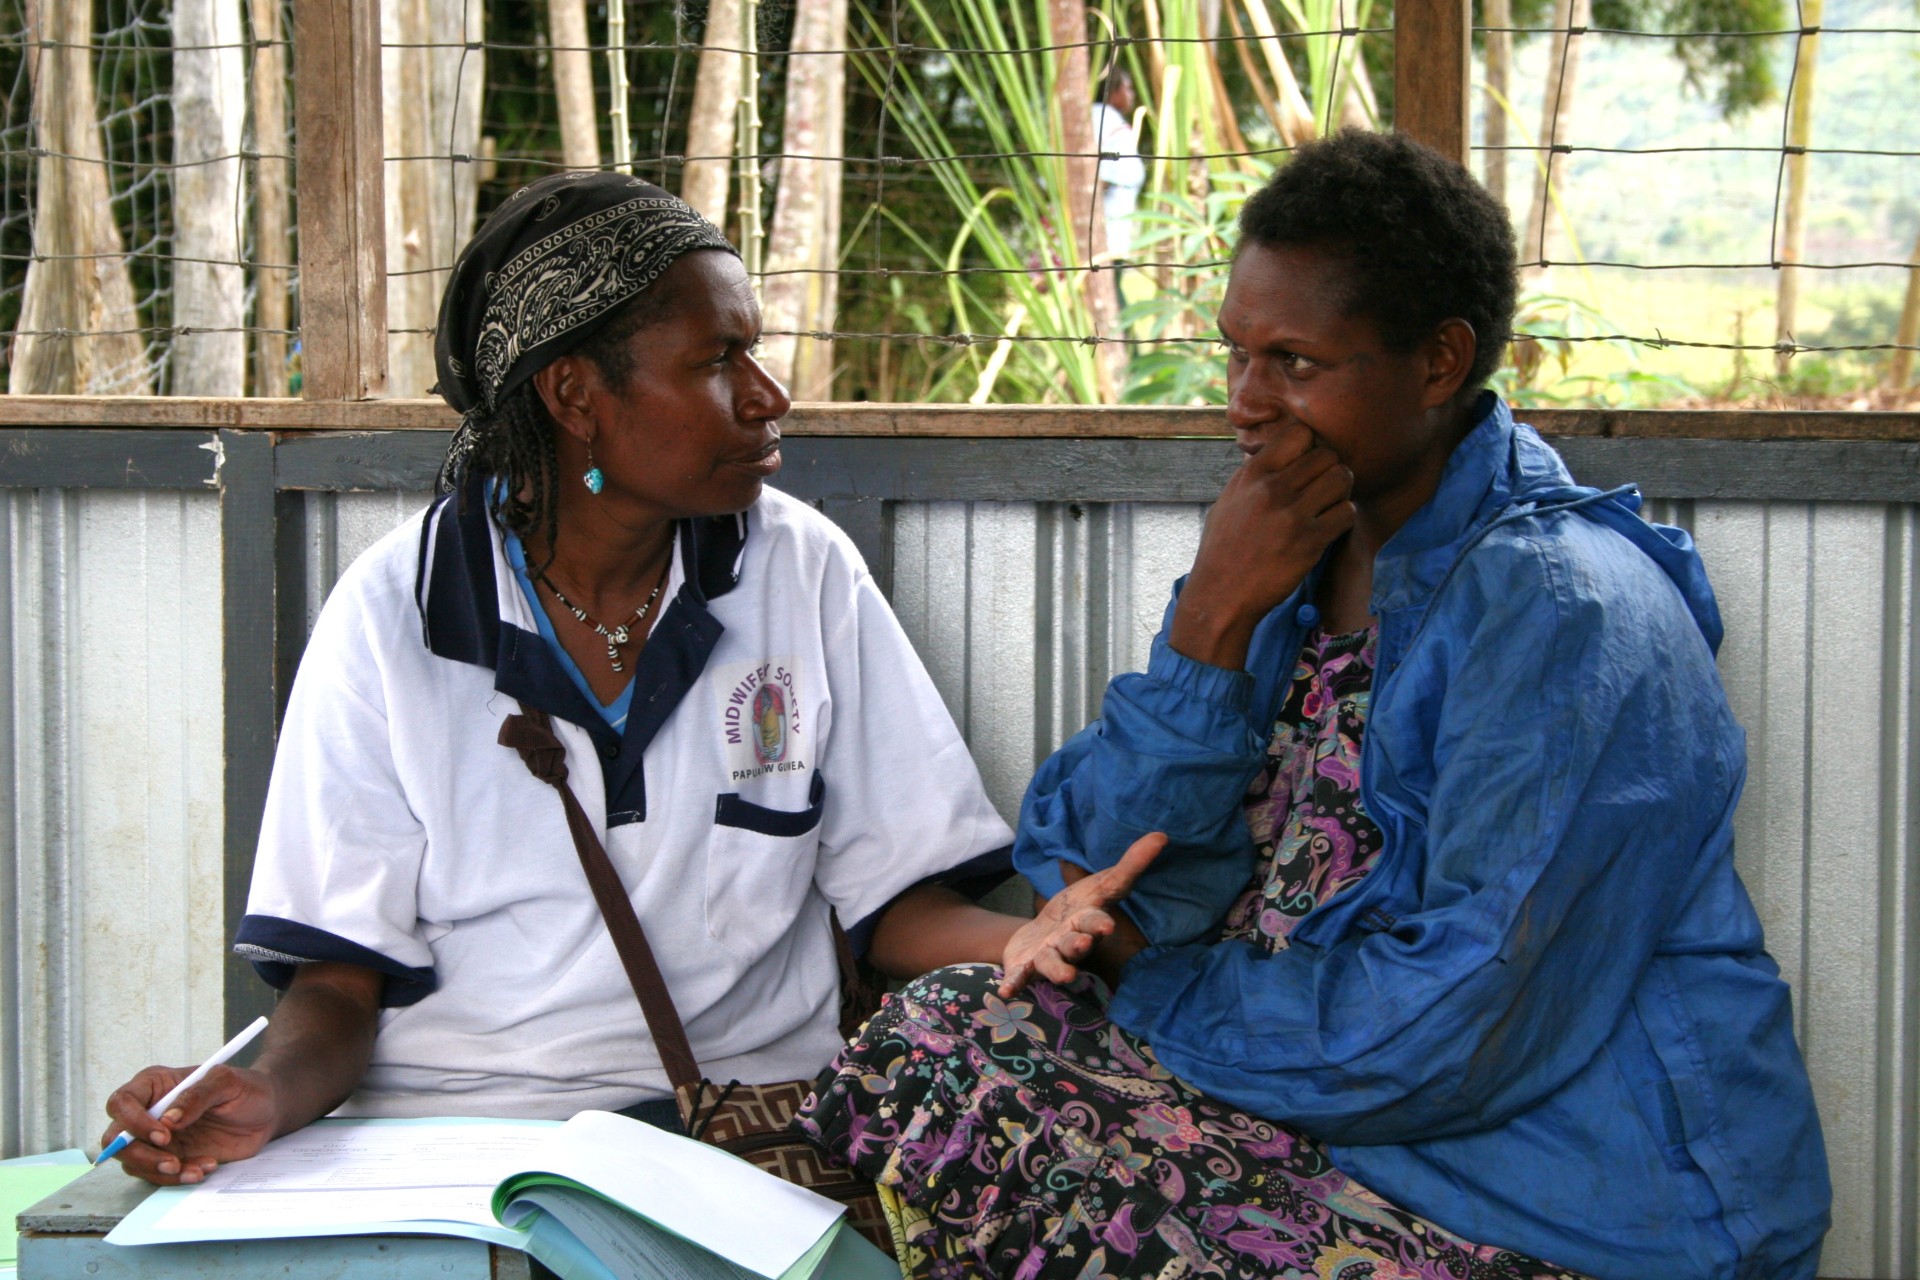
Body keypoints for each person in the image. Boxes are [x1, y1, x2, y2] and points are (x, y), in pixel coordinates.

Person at [797, 132, 1831, 1279]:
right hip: (1315, 1132)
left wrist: (1144, 976)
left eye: (1294, 361)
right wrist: (1211, 630)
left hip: (1559, 1212)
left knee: (972, 1086)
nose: (1245, 402)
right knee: (945, 1036)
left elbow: (1466, 1020)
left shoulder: (1562, 607)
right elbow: (1085, 865)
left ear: (1440, 361)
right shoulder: (1281, 560)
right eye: (1235, 352)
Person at [98, 172, 1106, 1185]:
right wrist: (266, 1091)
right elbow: (338, 979)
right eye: (720, 359)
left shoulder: (800, 570)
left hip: (746, 1138)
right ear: (574, 391)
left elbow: (892, 908)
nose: (767, 395)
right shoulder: (392, 614)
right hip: (456, 1150)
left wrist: (1036, 937)